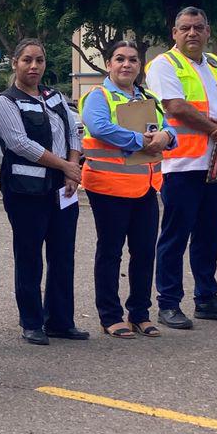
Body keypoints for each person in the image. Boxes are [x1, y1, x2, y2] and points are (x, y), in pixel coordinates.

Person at [146, 7, 217, 328]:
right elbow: (174, 106)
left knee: (208, 235)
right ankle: (169, 302)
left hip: (216, 165)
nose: (192, 33)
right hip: (182, 165)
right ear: (174, 33)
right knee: (175, 236)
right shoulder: (164, 65)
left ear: (208, 32)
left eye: (199, 28)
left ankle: (206, 298)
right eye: (185, 28)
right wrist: (216, 129)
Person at [0, 39, 84, 344]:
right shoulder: (6, 101)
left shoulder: (55, 96)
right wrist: (64, 166)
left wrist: (72, 167)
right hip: (25, 191)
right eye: (27, 60)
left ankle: (60, 321)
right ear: (15, 63)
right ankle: (31, 322)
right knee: (29, 256)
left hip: (62, 188)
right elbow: (20, 144)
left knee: (62, 255)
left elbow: (73, 131)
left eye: (39, 61)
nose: (34, 66)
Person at [80, 41, 173, 339]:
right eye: (119, 59)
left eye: (132, 60)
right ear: (109, 64)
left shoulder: (148, 97)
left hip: (146, 186)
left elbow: (170, 129)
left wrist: (166, 136)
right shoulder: (99, 96)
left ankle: (140, 314)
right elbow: (99, 127)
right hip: (109, 187)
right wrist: (141, 141)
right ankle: (110, 316)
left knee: (144, 252)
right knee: (110, 252)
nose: (126, 64)